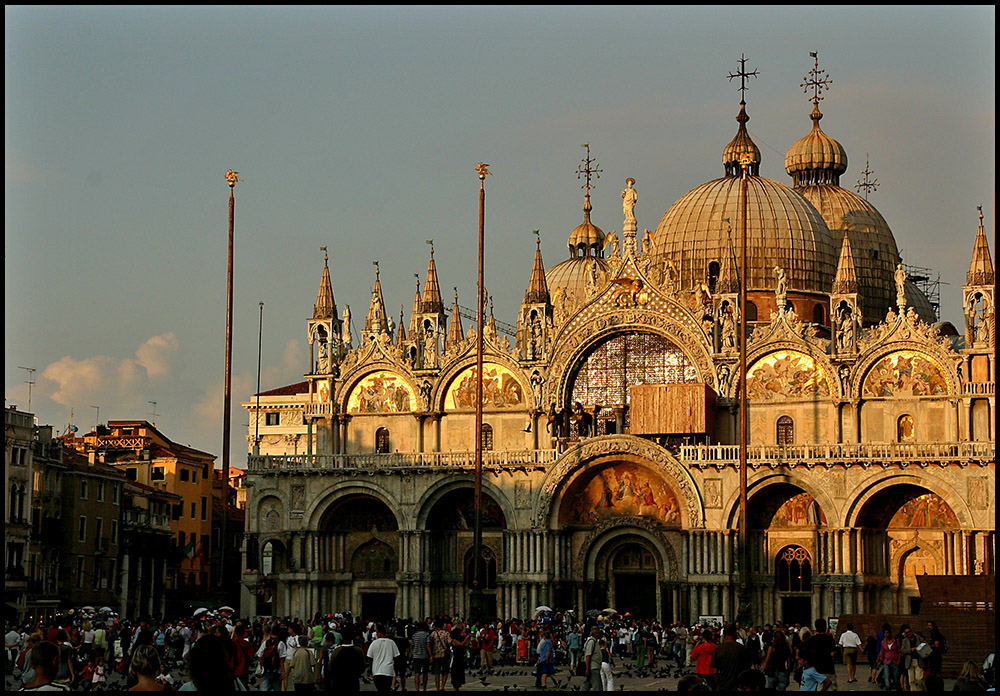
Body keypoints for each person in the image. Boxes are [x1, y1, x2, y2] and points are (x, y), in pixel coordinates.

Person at [325, 625, 365, 694]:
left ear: (342, 638)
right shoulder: (358, 650)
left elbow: (330, 667)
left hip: (339, 682)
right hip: (353, 681)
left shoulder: (336, 651)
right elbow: (362, 667)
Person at [711, 625, 751, 691]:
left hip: (723, 685)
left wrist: (718, 684)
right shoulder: (742, 648)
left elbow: (714, 671)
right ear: (735, 634)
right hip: (738, 685)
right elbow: (747, 668)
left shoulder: (718, 649)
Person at [803, 619, 837, 690]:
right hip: (828, 668)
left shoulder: (811, 640)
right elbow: (833, 654)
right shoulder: (830, 639)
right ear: (825, 627)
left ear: (815, 627)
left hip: (815, 671)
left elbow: (807, 656)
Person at [367, 624, 400, 694]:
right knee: (387, 689)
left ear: (379, 633)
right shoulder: (391, 643)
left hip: (377, 671)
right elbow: (396, 657)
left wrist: (370, 670)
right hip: (388, 671)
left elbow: (369, 657)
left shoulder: (374, 643)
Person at [876, 626, 902, 691]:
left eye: (887, 633)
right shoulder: (883, 642)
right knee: (886, 678)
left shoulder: (895, 641)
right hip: (886, 661)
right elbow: (882, 651)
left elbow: (899, 651)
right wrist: (879, 660)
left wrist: (899, 660)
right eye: (885, 633)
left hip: (895, 661)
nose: (886, 635)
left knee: (896, 679)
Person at [429, 620, 451, 691]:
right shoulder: (446, 633)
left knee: (437, 673)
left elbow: (430, 644)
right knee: (445, 671)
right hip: (444, 655)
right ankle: (442, 686)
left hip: (435, 655)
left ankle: (437, 687)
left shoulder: (433, 634)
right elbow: (449, 643)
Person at [410, 621, 431, 692]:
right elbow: (428, 645)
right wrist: (431, 655)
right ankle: (424, 688)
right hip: (424, 656)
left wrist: (412, 653)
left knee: (417, 673)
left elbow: (412, 646)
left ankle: (417, 688)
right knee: (425, 673)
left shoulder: (414, 635)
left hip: (416, 656)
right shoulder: (426, 634)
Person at [448, 622, 469, 691]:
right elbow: (461, 644)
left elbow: (465, 645)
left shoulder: (461, 638)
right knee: (455, 677)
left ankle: (457, 688)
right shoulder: (454, 640)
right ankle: (455, 688)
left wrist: (467, 638)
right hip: (456, 659)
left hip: (461, 659)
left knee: (459, 678)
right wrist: (466, 638)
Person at [582, 627, 602, 691]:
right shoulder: (591, 642)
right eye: (598, 633)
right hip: (593, 667)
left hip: (594, 666)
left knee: (587, 684)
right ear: (595, 634)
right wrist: (587, 669)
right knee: (597, 686)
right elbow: (588, 656)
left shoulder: (595, 641)